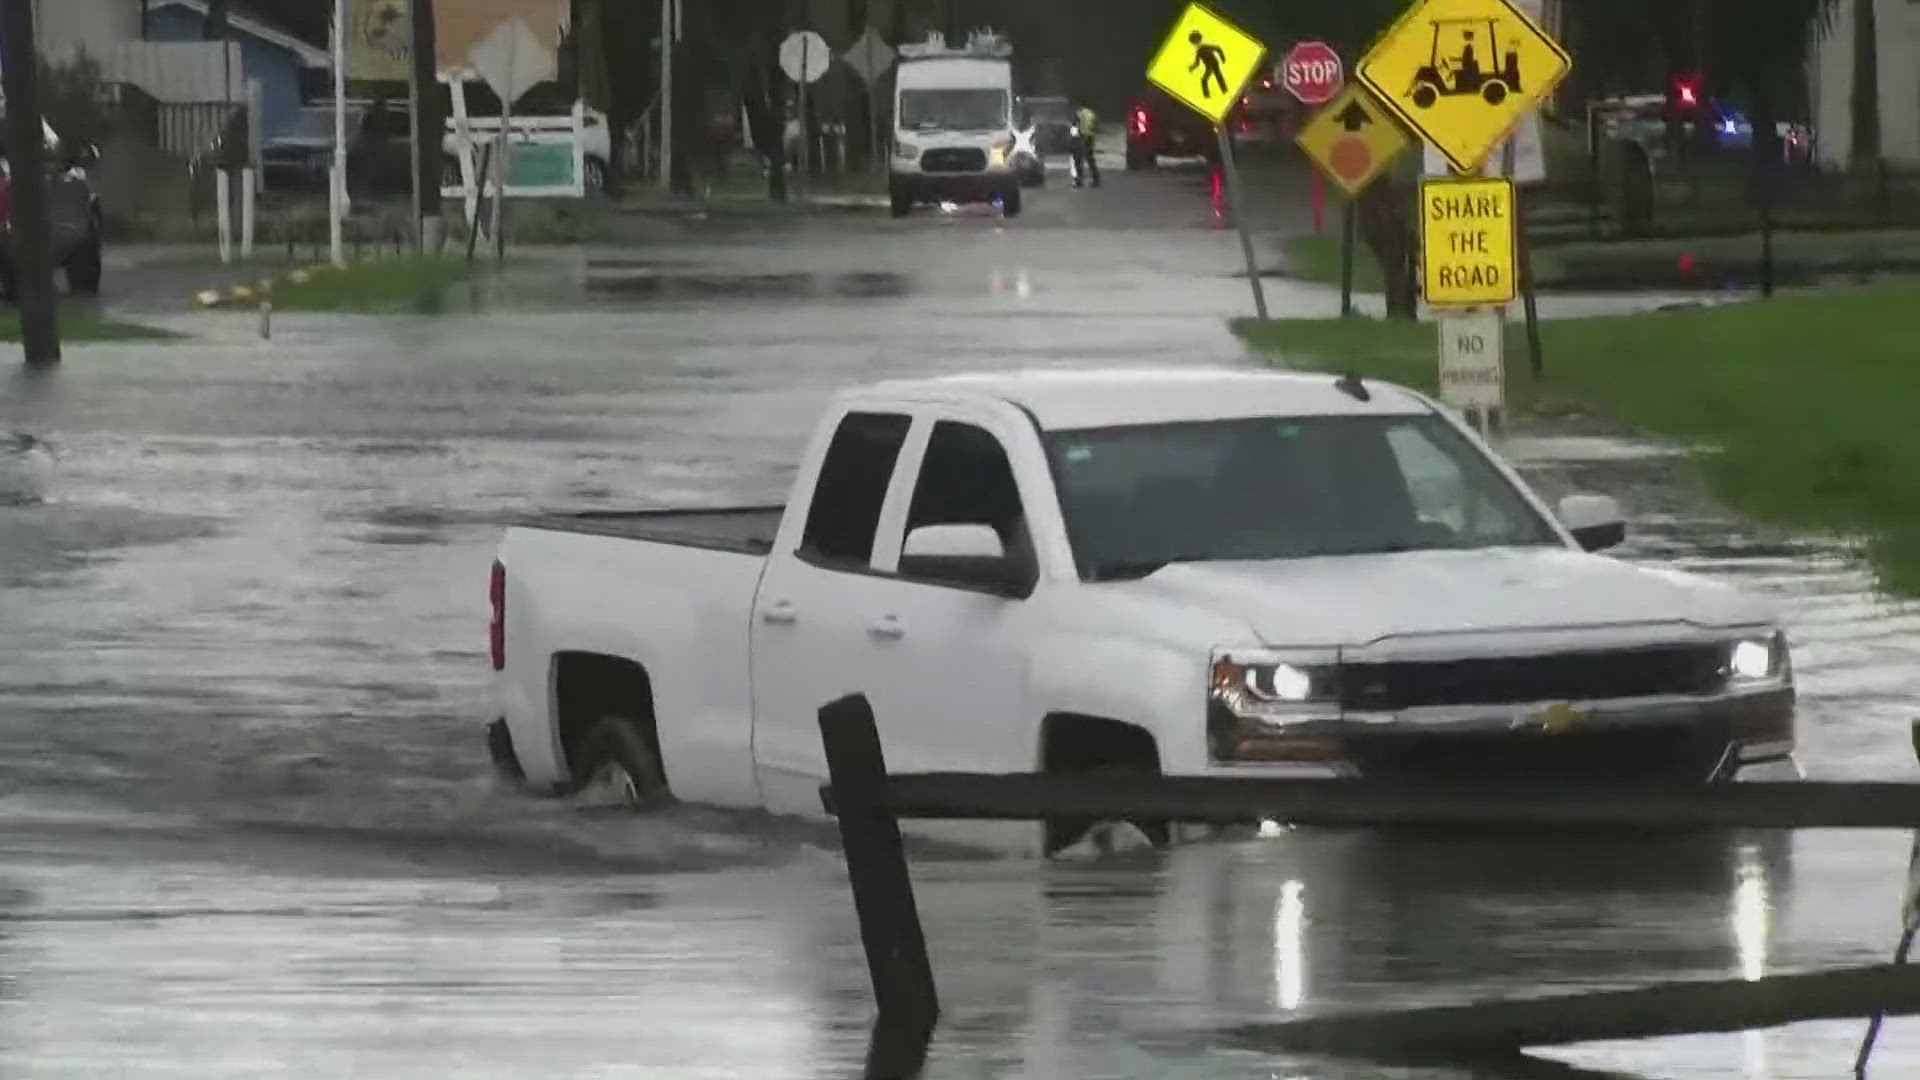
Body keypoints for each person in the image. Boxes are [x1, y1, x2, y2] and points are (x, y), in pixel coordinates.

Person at [1071, 100, 1100, 189]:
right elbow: (1096, 128)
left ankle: (1079, 180)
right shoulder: (1092, 114)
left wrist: (1072, 140)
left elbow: (1074, 127)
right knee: (1091, 160)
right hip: (1090, 139)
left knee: (1078, 160)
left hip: (1081, 138)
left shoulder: (1078, 114)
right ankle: (1096, 179)